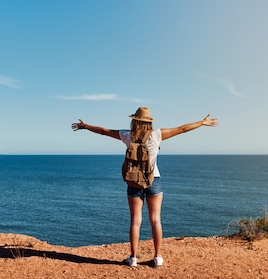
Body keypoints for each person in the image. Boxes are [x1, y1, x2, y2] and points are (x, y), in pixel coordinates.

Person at [71, 107, 219, 267]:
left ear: (134, 120)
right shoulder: (157, 135)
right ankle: (157, 257)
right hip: (153, 180)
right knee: (155, 220)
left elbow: (105, 131)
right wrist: (202, 122)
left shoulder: (127, 135)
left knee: (135, 221)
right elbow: (182, 129)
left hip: (134, 181)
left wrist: (86, 126)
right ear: (149, 122)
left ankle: (133, 258)